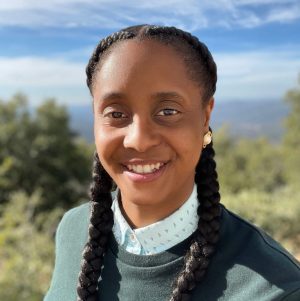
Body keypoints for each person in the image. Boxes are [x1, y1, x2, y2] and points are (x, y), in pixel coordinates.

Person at [44, 24, 300, 301]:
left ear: (205, 116)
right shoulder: (73, 228)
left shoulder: (275, 289)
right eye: (116, 113)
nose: (139, 140)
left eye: (168, 111)